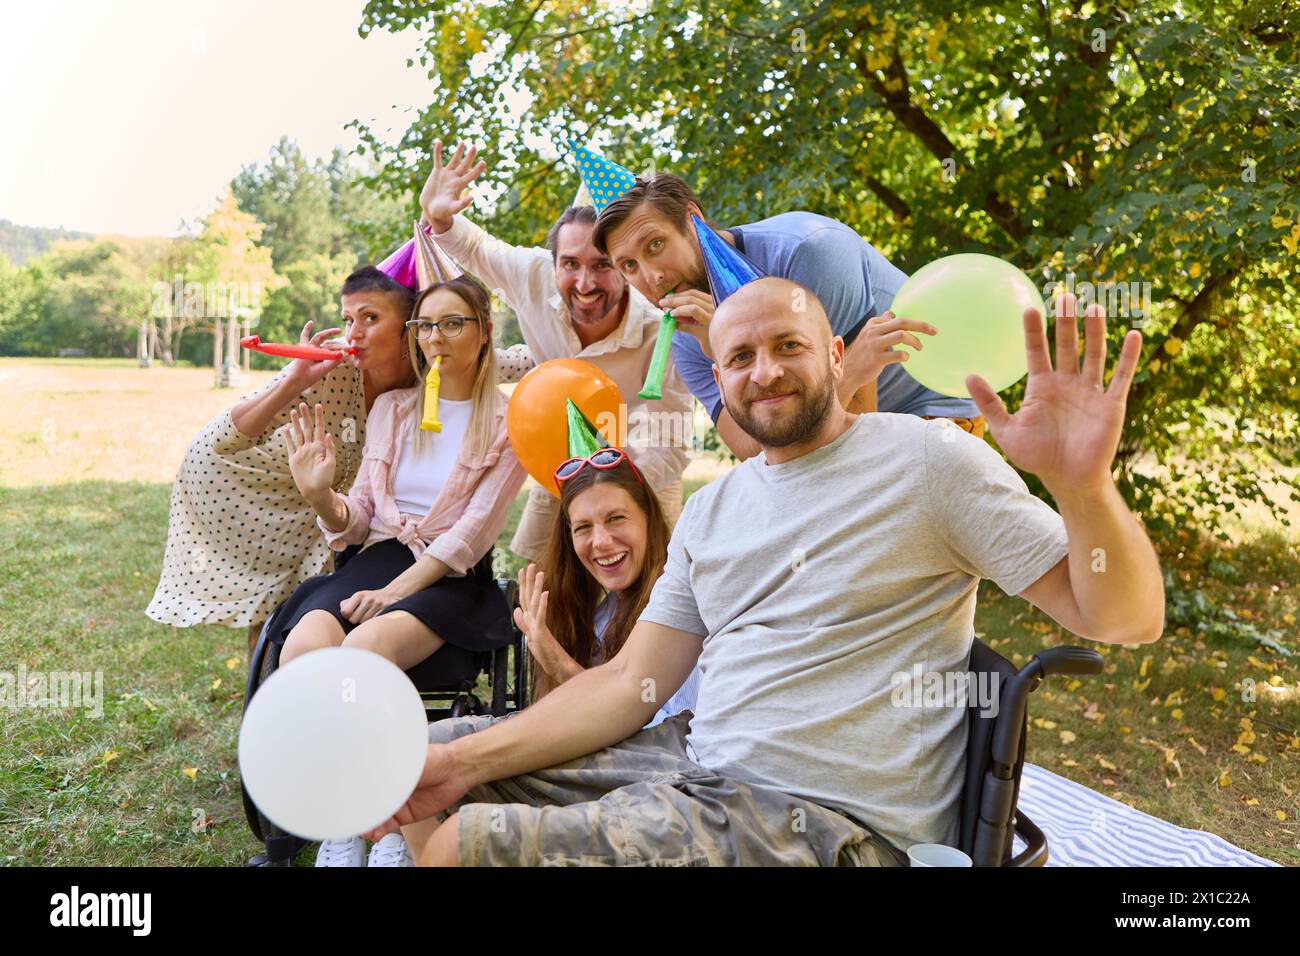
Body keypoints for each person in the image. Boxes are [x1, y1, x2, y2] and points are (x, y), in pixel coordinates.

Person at [368, 278, 1164, 867]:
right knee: (433, 750)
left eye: (788, 346)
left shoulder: (928, 460)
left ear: (837, 354)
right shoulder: (716, 512)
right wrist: (461, 761)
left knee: (462, 846)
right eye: (740, 356)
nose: (765, 371)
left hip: (827, 820)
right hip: (697, 763)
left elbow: (1124, 618)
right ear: (720, 377)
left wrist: (1083, 486)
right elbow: (629, 687)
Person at [275, 274, 527, 867]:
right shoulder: (393, 408)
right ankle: (352, 811)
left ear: (484, 333)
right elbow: (359, 521)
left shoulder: (510, 420)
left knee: (363, 650)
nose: (434, 337)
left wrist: (391, 594)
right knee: (304, 649)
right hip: (378, 557)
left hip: (447, 575)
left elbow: (470, 537)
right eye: (425, 325)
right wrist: (319, 496)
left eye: (451, 323)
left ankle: (394, 823)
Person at [420, 141, 694, 562]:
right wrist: (441, 217)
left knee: (650, 596)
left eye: (603, 265)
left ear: (625, 266)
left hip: (643, 470)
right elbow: (475, 247)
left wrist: (608, 493)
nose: (584, 283)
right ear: (553, 263)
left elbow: (671, 443)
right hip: (558, 464)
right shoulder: (532, 275)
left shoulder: (661, 327)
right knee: (541, 580)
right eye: (570, 264)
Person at [591, 172, 986, 459]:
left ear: (692, 218)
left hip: (930, 418)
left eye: (655, 245)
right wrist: (719, 348)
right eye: (628, 266)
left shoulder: (809, 253)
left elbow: (854, 428)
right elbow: (751, 449)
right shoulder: (687, 336)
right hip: (825, 443)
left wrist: (848, 375)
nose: (652, 276)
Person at [146, 266, 417, 651]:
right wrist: (295, 380)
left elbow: (509, 360)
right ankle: (264, 700)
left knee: (298, 598)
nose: (353, 332)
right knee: (273, 609)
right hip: (250, 483)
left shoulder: (432, 367)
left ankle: (295, 686)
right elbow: (227, 435)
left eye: (370, 318)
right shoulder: (331, 364)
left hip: (321, 497)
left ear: (411, 326)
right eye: (347, 319)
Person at [513, 446, 699, 724]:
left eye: (616, 518)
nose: (600, 541)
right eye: (583, 527)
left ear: (649, 518)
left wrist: (562, 668)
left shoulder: (683, 609)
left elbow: (670, 737)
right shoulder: (600, 615)